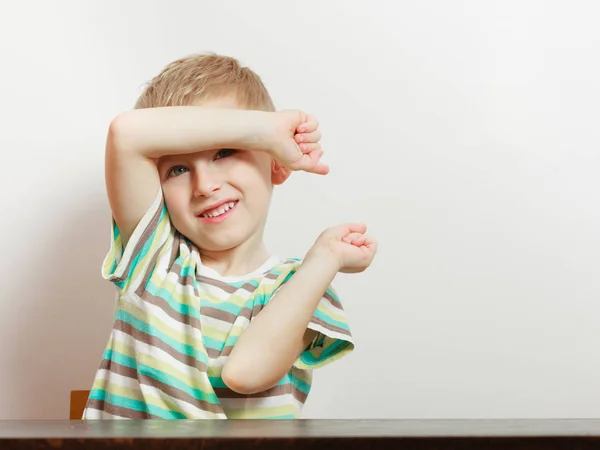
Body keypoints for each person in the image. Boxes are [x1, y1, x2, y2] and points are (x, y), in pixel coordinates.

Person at [82, 53, 377, 420]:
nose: (205, 186)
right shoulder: (155, 258)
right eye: (177, 168)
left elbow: (245, 374)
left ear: (277, 163)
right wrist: (265, 131)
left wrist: (325, 259)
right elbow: (124, 133)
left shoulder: (303, 286)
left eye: (225, 152)